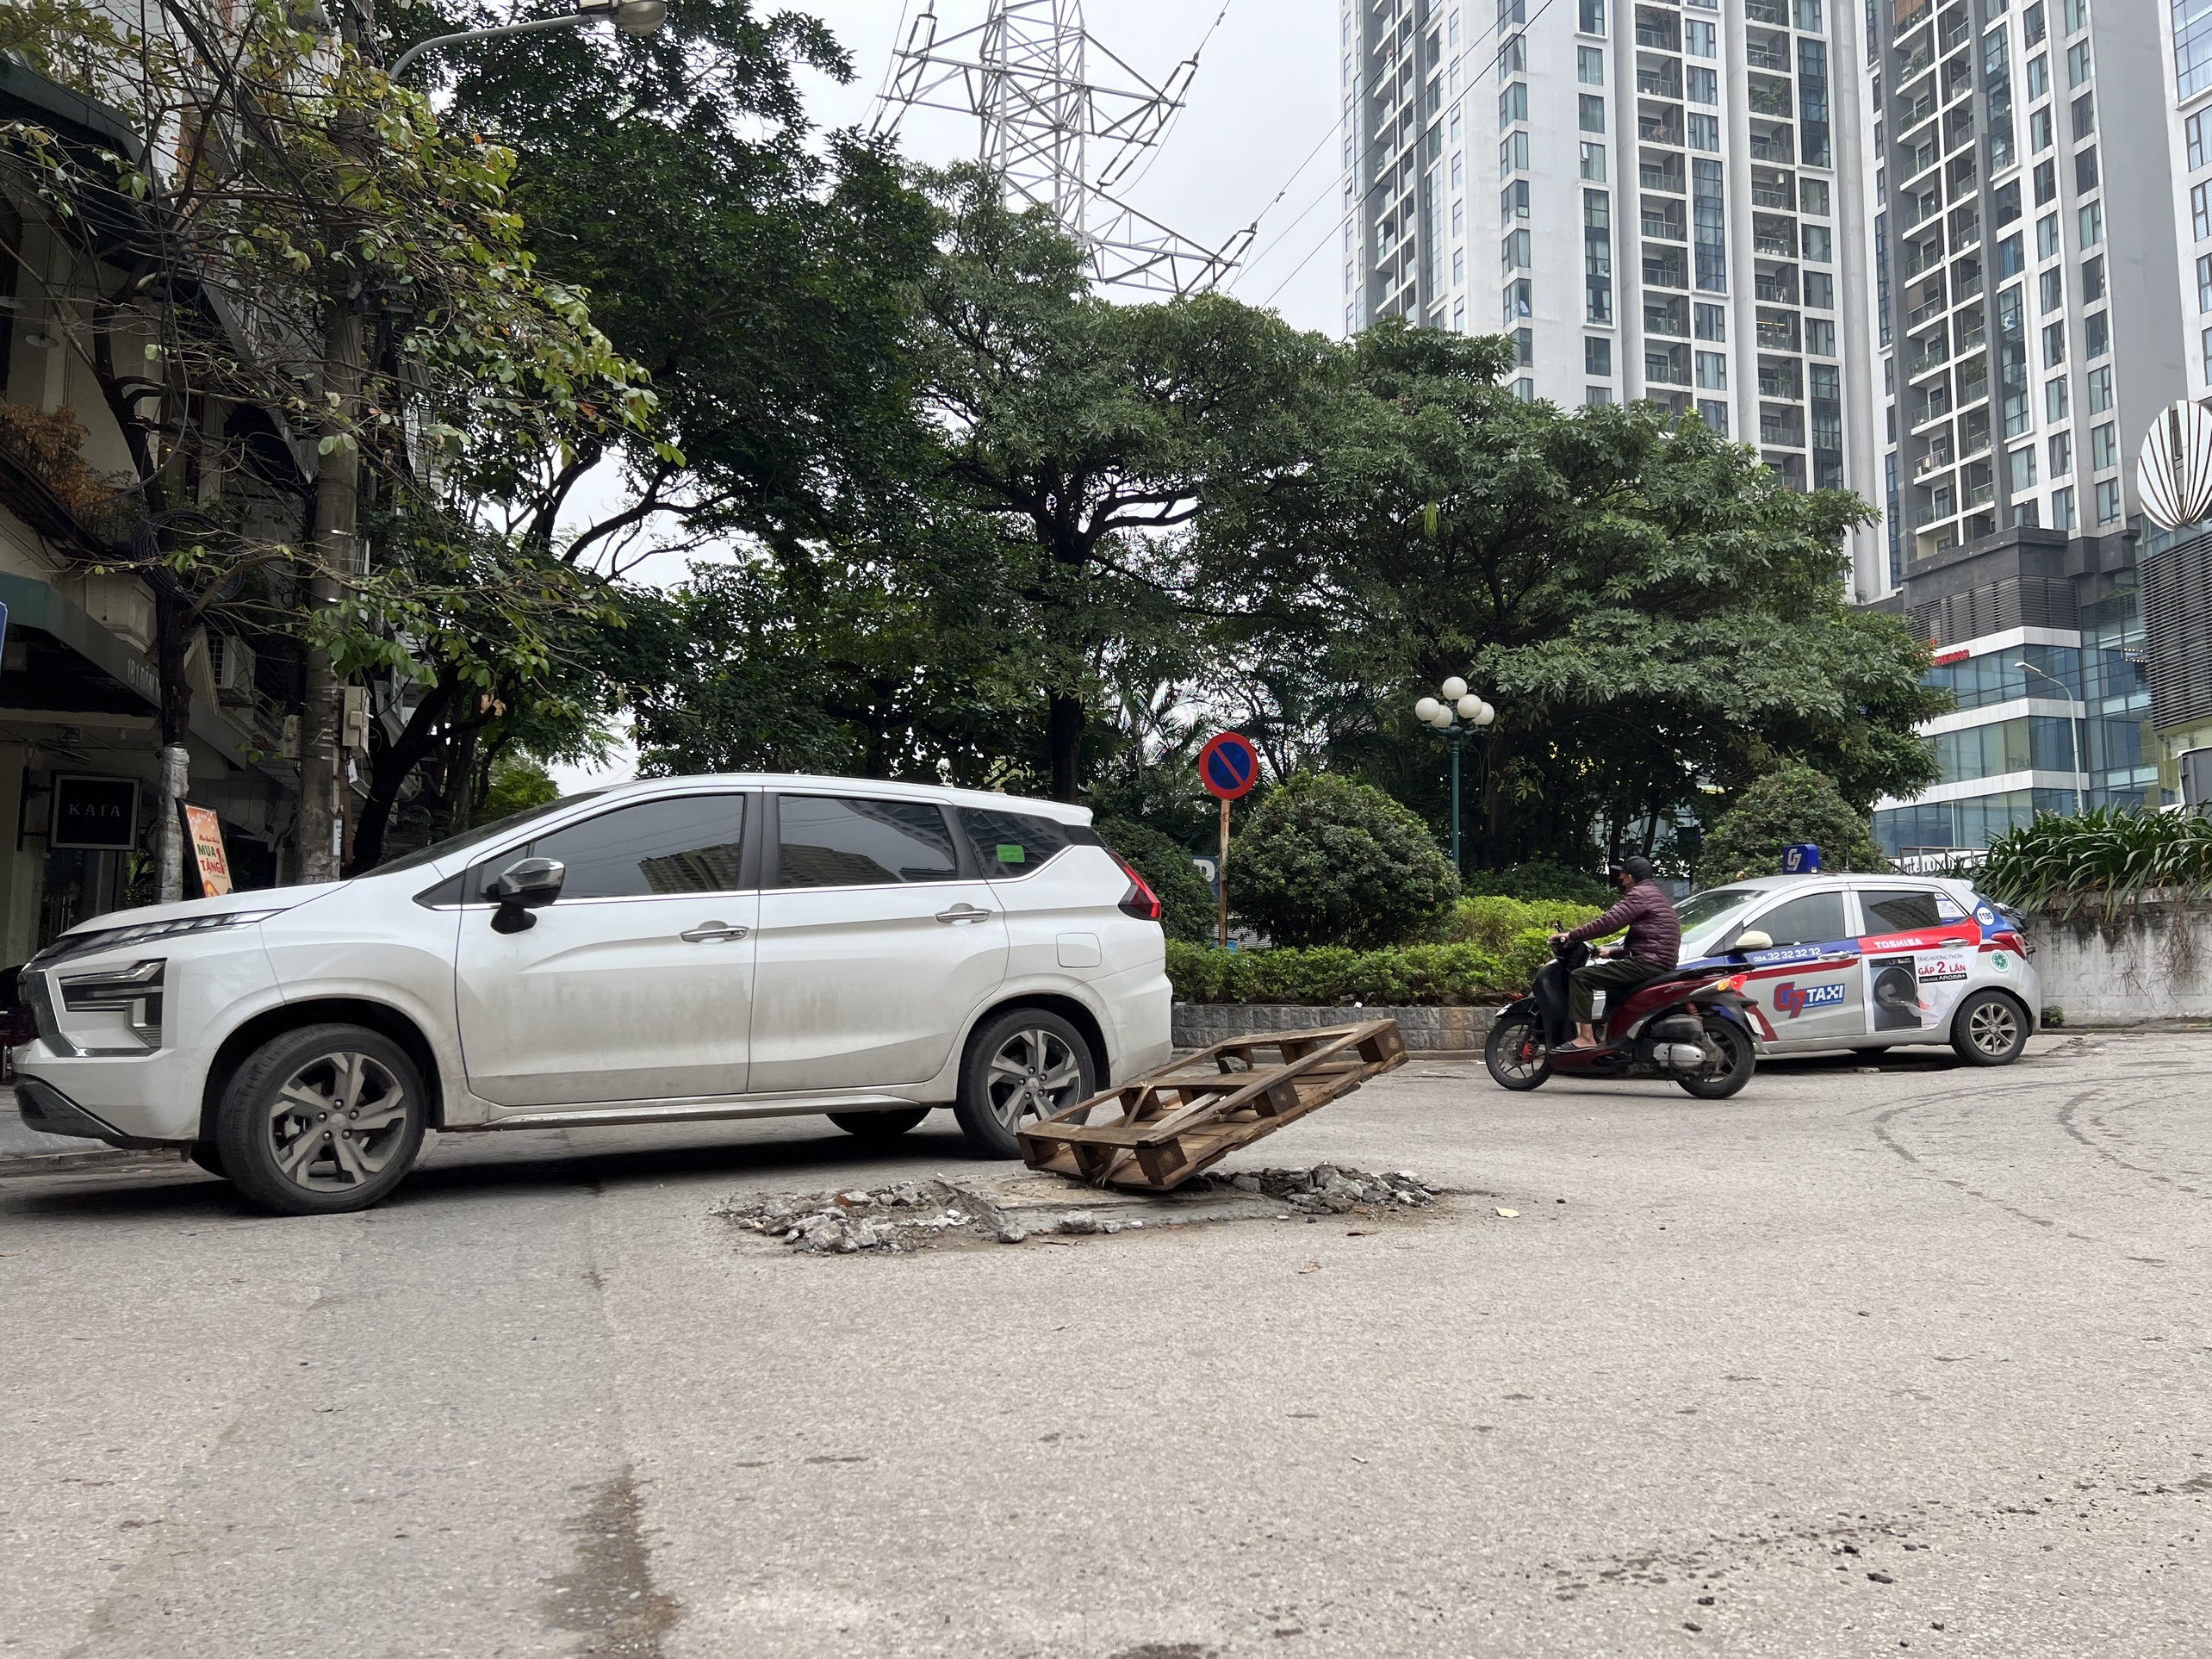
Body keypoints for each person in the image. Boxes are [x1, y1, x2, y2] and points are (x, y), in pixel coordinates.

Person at [1547, 857, 1681, 1051]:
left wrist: (1573, 935)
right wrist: (1612, 953)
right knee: (1615, 991)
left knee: (1580, 977)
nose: (1620, 879)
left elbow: (1609, 922)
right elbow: (1650, 940)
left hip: (1648, 964)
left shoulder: (1640, 895)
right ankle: (1611, 1041)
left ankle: (1586, 1038)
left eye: (1622, 875)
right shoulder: (1656, 896)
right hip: (1657, 962)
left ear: (1630, 877)